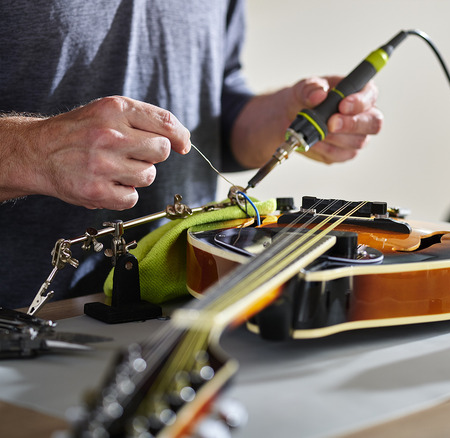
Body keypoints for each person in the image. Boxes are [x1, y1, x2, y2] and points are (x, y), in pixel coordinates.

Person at [0, 0, 383, 309]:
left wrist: (278, 118)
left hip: (185, 301)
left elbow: (214, 103)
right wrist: (30, 150)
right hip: (19, 320)